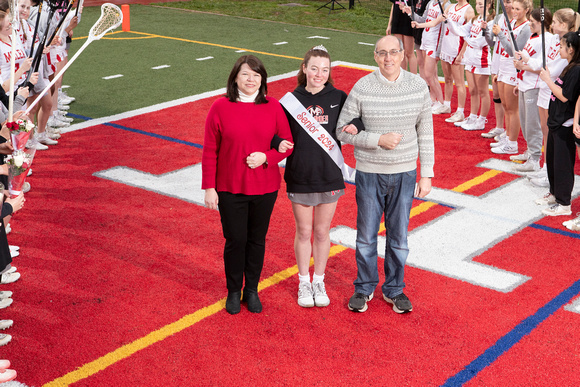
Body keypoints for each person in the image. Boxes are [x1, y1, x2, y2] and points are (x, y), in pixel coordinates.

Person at [336, 35, 434, 314]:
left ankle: (394, 289)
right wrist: (377, 139)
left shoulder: (418, 86)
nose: (388, 58)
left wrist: (426, 173)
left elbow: (425, 131)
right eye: (382, 53)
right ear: (375, 57)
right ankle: (364, 286)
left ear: (403, 55)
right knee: (366, 236)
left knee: (399, 237)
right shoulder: (362, 87)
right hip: (369, 173)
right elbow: (342, 131)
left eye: (393, 52)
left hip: (405, 173)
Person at [202, 55, 293, 315]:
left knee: (256, 240)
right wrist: (209, 187)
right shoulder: (219, 107)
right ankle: (233, 290)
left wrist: (268, 157)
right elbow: (210, 150)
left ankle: (251, 290)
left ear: (263, 79)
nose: (251, 79)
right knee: (235, 240)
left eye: (256, 75)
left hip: (265, 188)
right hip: (230, 188)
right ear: (235, 78)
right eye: (245, 74)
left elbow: (287, 143)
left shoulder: (273, 107)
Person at [278, 46, 360, 308]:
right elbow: (275, 132)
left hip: (329, 175)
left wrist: (356, 126)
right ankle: (304, 281)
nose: (319, 74)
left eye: (325, 70)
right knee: (303, 231)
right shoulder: (290, 100)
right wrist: (277, 141)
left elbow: (360, 119)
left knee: (322, 231)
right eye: (314, 68)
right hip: (300, 174)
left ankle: (319, 280)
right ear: (304, 68)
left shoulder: (338, 96)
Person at [537, 31, 580, 217]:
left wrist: (547, 80)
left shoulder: (577, 70)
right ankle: (555, 194)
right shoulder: (569, 66)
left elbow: (564, 96)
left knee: (563, 165)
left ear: (571, 49)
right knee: (553, 162)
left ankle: (564, 204)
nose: (560, 49)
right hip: (555, 122)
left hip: (565, 124)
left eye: (562, 47)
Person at [512, 8, 552, 172]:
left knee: (532, 124)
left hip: (534, 86)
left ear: (542, 23)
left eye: (532, 21)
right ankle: (530, 151)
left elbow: (543, 66)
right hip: (524, 83)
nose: (529, 23)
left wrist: (524, 67)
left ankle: (535, 158)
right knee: (524, 121)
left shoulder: (547, 39)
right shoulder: (534, 36)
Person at [489, 0, 531, 155]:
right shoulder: (511, 22)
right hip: (503, 66)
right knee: (505, 106)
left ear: (526, 10)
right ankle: (507, 137)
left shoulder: (526, 28)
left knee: (513, 109)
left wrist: (499, 33)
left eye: (518, 9)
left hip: (514, 69)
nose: (514, 11)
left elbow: (513, 50)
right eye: (513, 8)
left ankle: (512, 143)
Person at [387, 0, 417, 73]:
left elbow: (416, 7)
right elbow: (394, 5)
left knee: (409, 53)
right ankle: (403, 76)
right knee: (400, 52)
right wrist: (389, 24)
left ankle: (414, 78)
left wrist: (406, 7)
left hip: (408, 21)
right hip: (397, 21)